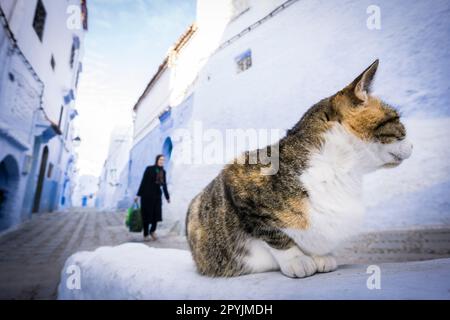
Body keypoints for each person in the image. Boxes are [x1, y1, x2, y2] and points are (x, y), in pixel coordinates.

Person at [135, 154, 170, 241]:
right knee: (146, 215)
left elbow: (164, 185)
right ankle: (146, 234)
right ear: (157, 160)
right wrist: (138, 195)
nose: (161, 161)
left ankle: (152, 231)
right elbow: (143, 181)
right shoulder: (149, 169)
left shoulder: (163, 172)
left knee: (156, 215)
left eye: (163, 160)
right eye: (160, 159)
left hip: (157, 195)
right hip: (147, 195)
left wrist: (167, 196)